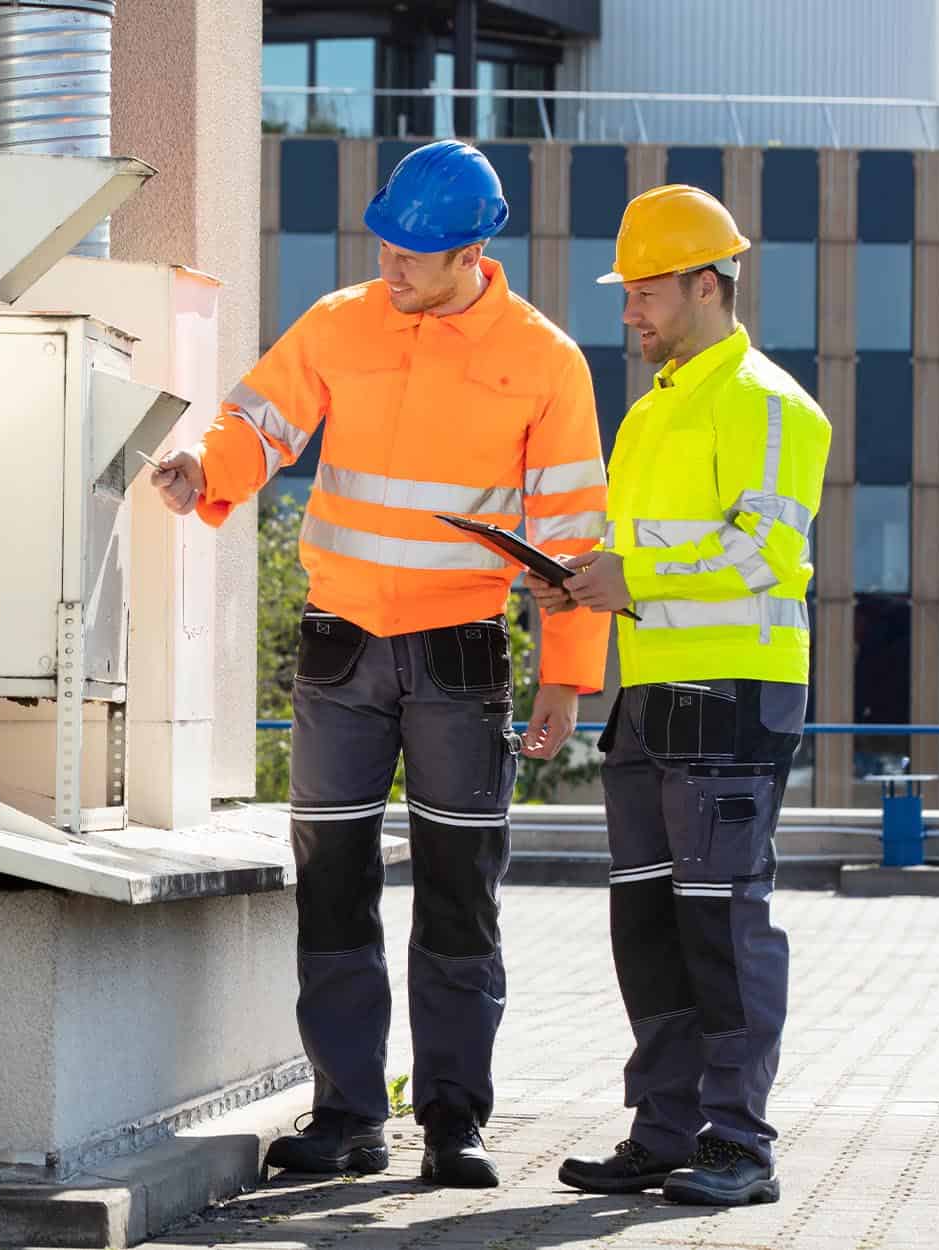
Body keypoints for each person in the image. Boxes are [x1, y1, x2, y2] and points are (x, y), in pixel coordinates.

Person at [151, 140, 610, 1188]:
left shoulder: (543, 360)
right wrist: (203, 467)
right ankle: (347, 1113)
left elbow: (572, 535)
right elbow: (257, 420)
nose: (393, 264)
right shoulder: (337, 322)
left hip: (460, 658)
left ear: (474, 249)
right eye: (387, 243)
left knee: (458, 896)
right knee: (333, 890)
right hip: (339, 649)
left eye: (417, 252)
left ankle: (452, 1121)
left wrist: (562, 679)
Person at [531, 184, 831, 1206]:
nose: (628, 311)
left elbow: (767, 554)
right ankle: (662, 1131)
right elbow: (648, 553)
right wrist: (580, 575)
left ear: (705, 285)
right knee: (648, 926)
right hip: (651, 696)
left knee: (720, 923)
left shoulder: (768, 403)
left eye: (645, 291)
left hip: (734, 699)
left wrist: (633, 575)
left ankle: (738, 1144)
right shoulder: (655, 409)